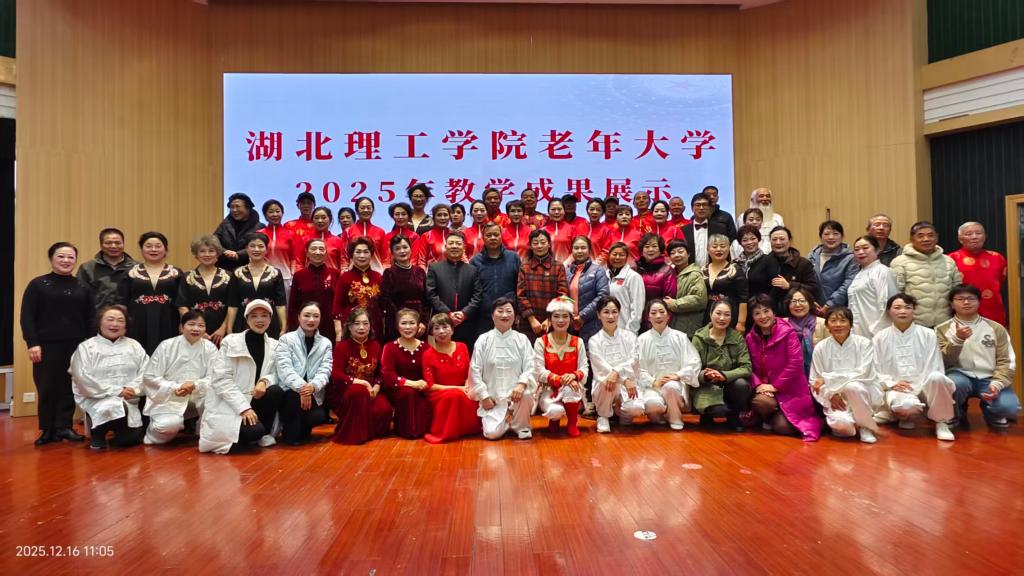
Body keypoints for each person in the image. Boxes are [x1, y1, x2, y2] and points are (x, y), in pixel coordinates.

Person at [22, 242, 94, 445]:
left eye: (71, 257)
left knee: (68, 386)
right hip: (45, 345)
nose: (66, 260)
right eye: (61, 256)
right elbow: (27, 316)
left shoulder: (83, 287)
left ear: (75, 260)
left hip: (76, 345)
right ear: (51, 258)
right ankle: (47, 429)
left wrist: (91, 345)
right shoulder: (38, 284)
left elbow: (90, 317)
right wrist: (32, 343)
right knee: (46, 386)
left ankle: (64, 427)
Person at [199, 299, 284, 453]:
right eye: (254, 316)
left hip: (256, 399)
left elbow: (276, 373)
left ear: (270, 319)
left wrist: (265, 381)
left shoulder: (274, 345)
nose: (259, 320)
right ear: (246, 319)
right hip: (232, 402)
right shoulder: (231, 342)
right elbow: (221, 380)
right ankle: (254, 432)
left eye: (264, 315)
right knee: (253, 432)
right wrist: (243, 408)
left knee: (275, 391)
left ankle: (263, 432)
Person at [872, 293, 956, 440]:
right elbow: (875, 368)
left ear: (914, 310)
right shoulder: (880, 337)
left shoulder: (928, 334)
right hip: (897, 387)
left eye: (907, 307)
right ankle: (903, 416)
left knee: (937, 378)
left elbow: (935, 365)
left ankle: (941, 422)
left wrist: (916, 387)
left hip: (923, 385)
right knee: (907, 408)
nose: (903, 311)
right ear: (889, 311)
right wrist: (892, 383)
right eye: (897, 307)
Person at [936, 284, 1020, 430]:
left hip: (990, 377)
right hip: (959, 375)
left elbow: (1006, 360)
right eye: (960, 299)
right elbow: (943, 361)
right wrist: (957, 340)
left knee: (1010, 408)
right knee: (954, 383)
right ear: (952, 304)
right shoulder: (941, 329)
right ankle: (955, 413)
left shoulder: (996, 328)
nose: (966, 302)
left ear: (979, 302)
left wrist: (997, 383)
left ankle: (992, 413)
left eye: (971, 298)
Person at [746, 295, 823, 441]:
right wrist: (759, 385)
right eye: (757, 313)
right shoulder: (750, 338)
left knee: (784, 428)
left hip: (790, 389)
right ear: (752, 317)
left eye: (766, 311)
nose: (763, 316)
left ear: (773, 312)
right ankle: (768, 417)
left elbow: (795, 363)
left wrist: (775, 386)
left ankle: (777, 417)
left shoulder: (788, 332)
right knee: (761, 403)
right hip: (765, 389)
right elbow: (748, 365)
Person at [70, 305, 147, 450]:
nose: (115, 324)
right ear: (99, 323)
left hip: (129, 399)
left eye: (120, 320)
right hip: (98, 400)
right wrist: (117, 391)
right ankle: (98, 431)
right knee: (111, 407)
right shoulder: (86, 347)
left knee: (128, 441)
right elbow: (82, 378)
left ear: (126, 325)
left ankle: (122, 430)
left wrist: (132, 388)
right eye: (110, 319)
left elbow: (146, 371)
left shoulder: (134, 345)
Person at [142, 311, 218, 445]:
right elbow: (150, 376)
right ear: (181, 327)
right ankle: (152, 433)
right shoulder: (166, 346)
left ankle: (203, 435)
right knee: (167, 427)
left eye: (201, 325)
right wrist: (175, 387)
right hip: (170, 397)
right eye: (191, 324)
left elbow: (215, 377)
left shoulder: (210, 348)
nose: (196, 329)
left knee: (217, 412)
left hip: (199, 395)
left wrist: (195, 385)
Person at [809, 307, 882, 443]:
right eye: (833, 321)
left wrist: (827, 379)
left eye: (843, 320)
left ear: (851, 324)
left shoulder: (864, 344)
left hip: (862, 393)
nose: (838, 325)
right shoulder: (821, 347)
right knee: (843, 428)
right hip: (835, 398)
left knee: (853, 386)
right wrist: (830, 394)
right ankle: (851, 422)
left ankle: (865, 427)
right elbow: (815, 380)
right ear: (827, 326)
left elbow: (864, 373)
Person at [470, 298, 537, 440]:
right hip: (493, 399)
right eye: (500, 311)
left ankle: (522, 425)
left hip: (517, 397)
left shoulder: (522, 339)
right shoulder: (483, 340)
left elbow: (531, 365)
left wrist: (521, 384)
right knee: (491, 434)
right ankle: (507, 421)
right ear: (492, 316)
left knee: (526, 393)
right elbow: (474, 370)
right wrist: (484, 396)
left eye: (508, 311)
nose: (505, 315)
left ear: (515, 316)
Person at [328, 307, 392, 445]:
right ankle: (355, 434)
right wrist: (361, 382)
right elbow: (336, 374)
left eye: (365, 323)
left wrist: (376, 387)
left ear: (370, 325)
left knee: (384, 410)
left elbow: (381, 372)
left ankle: (368, 432)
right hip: (348, 391)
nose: (361, 327)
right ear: (349, 326)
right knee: (359, 391)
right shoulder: (341, 347)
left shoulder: (376, 345)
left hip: (371, 391)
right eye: (356, 324)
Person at [636, 299, 702, 431]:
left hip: (675, 386)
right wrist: (653, 382)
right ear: (648, 317)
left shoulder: (680, 337)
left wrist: (678, 375)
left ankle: (675, 417)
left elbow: (694, 362)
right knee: (652, 404)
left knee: (670, 386)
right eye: (653, 313)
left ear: (668, 315)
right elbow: (636, 369)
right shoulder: (641, 340)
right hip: (652, 387)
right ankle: (657, 417)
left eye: (662, 312)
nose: (658, 316)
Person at [274, 301, 332, 445]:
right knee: (294, 401)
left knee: (318, 417)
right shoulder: (286, 339)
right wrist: (302, 388)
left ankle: (302, 428)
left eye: (316, 316)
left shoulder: (325, 343)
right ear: (299, 317)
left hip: (313, 391)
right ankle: (290, 432)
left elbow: (325, 370)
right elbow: (284, 368)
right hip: (290, 390)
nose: (311, 320)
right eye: (307, 315)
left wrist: (312, 386)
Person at [690, 300, 752, 430]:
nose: (722, 318)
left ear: (731, 317)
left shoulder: (737, 338)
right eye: (718, 313)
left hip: (729, 384)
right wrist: (706, 375)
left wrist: (724, 375)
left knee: (742, 384)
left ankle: (734, 417)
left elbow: (746, 367)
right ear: (710, 314)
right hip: (707, 386)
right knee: (718, 411)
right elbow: (691, 369)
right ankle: (706, 415)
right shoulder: (699, 338)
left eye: (727, 314)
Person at [533, 297, 589, 436]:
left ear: (570, 319)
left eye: (565, 316)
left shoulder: (578, 342)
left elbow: (584, 368)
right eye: (556, 316)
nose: (561, 320)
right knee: (555, 411)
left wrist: (574, 376)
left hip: (572, 389)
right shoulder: (541, 342)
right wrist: (560, 379)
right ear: (550, 319)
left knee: (571, 389)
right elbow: (538, 370)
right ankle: (555, 419)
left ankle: (572, 422)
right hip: (549, 389)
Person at [890, 221, 962, 328]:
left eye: (930, 235)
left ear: (937, 238)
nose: (926, 239)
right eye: (920, 236)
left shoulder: (948, 261)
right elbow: (895, 294)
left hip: (945, 322)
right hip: (914, 324)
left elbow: (957, 290)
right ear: (911, 239)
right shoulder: (899, 262)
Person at [120, 231, 182, 355]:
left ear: (165, 249)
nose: (153, 249)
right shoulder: (130, 273)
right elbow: (122, 302)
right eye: (148, 246)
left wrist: (183, 322)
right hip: (137, 323)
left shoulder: (176, 272)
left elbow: (182, 301)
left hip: (169, 322)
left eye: (158, 246)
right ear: (141, 249)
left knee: (167, 355)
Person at [422, 313, 481, 443]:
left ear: (452, 330)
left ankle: (468, 429)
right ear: (432, 332)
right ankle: (448, 431)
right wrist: (459, 389)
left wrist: (467, 386)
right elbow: (430, 386)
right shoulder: (427, 354)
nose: (441, 331)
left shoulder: (462, 346)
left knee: (474, 394)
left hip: (464, 388)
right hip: (439, 393)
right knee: (454, 395)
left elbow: (469, 372)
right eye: (436, 328)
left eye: (445, 327)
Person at [587, 296, 640, 433]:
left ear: (619, 313)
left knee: (637, 408)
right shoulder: (594, 340)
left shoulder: (630, 337)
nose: (611, 316)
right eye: (606, 312)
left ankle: (622, 413)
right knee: (608, 381)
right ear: (598, 315)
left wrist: (617, 372)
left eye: (614, 312)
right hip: (606, 384)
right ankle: (603, 415)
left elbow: (634, 359)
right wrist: (623, 379)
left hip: (627, 383)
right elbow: (601, 367)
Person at [380, 309, 433, 440]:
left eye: (412, 323)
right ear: (397, 326)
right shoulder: (389, 347)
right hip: (398, 390)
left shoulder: (426, 347)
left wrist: (426, 383)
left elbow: (430, 372)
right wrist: (411, 383)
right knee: (408, 392)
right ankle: (406, 428)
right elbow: (388, 375)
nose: (408, 327)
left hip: (421, 389)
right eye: (403, 323)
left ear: (418, 325)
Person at [226, 232, 287, 338]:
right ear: (246, 249)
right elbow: (233, 304)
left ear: (266, 250)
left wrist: (283, 327)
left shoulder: (275, 273)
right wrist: (229, 329)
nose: (256, 249)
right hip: (243, 321)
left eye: (260, 246)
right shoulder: (237, 273)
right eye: (252, 246)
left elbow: (280, 303)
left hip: (269, 321)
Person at [426, 232, 484, 345]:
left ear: (464, 247)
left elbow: (477, 295)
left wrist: (464, 314)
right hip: (442, 322)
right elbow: (431, 294)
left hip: (467, 323)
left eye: (458, 243)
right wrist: (448, 314)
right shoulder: (434, 268)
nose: (454, 246)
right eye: (451, 243)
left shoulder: (472, 270)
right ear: (445, 246)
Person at [176, 235, 232, 346]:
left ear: (217, 254)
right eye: (202, 251)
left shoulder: (229, 276)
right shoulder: (186, 277)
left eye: (211, 251)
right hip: (193, 331)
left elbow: (232, 305)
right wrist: (196, 328)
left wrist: (223, 328)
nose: (207, 254)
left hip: (222, 333)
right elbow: (182, 306)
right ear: (196, 255)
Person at [948, 222, 1007, 325]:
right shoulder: (951, 259)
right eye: (969, 234)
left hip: (993, 310)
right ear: (960, 239)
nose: (974, 237)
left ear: (984, 237)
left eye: (978, 233)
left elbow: (1002, 282)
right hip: (963, 311)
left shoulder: (997, 257)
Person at [517, 229, 569, 341]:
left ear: (549, 244)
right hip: (528, 323)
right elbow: (521, 295)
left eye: (543, 242)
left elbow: (562, 294)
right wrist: (532, 319)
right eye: (535, 243)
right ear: (530, 246)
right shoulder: (525, 267)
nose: (539, 246)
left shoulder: (558, 267)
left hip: (553, 321)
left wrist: (550, 318)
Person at [471, 222, 521, 336]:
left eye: (496, 234)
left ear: (501, 236)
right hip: (483, 316)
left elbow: (519, 287)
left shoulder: (513, 257)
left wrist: (518, 311)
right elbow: (473, 290)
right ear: (483, 238)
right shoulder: (475, 261)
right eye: (489, 235)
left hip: (508, 314)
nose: (493, 238)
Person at [287, 238, 341, 342]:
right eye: (314, 249)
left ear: (326, 253)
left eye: (321, 249)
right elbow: (293, 305)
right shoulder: (299, 275)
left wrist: (339, 328)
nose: (317, 252)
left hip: (329, 325)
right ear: (307, 253)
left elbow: (339, 303)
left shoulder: (335, 274)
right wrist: (293, 327)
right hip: (305, 324)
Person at [333, 237, 384, 343]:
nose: (362, 255)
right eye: (358, 252)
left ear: (371, 254)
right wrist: (338, 332)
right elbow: (337, 306)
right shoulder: (345, 277)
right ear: (351, 255)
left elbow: (383, 305)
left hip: (375, 326)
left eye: (366, 252)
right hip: (352, 326)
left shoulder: (378, 277)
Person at [848, 235, 898, 339]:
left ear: (877, 250)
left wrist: (878, 332)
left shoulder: (883, 271)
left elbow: (888, 303)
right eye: (857, 249)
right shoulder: (859, 273)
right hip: (859, 332)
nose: (861, 252)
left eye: (865, 248)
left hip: (877, 332)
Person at [380, 235, 427, 342]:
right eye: (397, 248)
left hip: (419, 324)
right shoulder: (389, 273)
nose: (402, 251)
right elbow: (386, 301)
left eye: (405, 247)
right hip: (397, 324)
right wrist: (401, 323)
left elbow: (426, 300)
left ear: (411, 249)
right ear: (392, 253)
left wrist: (423, 322)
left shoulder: (420, 272)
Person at [77, 227, 136, 311]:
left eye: (118, 243)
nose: (113, 246)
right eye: (108, 243)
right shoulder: (87, 267)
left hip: (130, 316)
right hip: (97, 317)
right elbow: (80, 296)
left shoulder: (137, 268)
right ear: (101, 245)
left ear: (123, 244)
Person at [808, 220, 858, 315]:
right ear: (821, 237)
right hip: (814, 309)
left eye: (835, 234)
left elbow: (848, 283)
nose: (831, 237)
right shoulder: (812, 256)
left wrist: (830, 304)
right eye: (826, 234)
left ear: (842, 236)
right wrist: (810, 300)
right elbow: (806, 280)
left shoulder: (850, 258)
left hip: (840, 309)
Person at [566, 236, 610, 342]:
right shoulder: (567, 272)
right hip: (569, 324)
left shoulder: (598, 271)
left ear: (589, 250)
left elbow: (603, 296)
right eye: (576, 248)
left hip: (591, 323)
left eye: (583, 248)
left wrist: (582, 316)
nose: (579, 251)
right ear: (572, 250)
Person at [703, 234, 748, 331]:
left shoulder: (735, 269)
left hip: (729, 313)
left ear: (728, 249)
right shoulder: (703, 269)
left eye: (723, 246)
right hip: (708, 313)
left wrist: (741, 322)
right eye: (714, 246)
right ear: (708, 249)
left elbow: (743, 298)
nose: (719, 249)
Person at [663, 240, 707, 337]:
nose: (677, 255)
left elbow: (700, 299)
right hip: (671, 326)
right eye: (673, 253)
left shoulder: (694, 274)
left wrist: (674, 304)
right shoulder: (669, 273)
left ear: (688, 254)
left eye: (680, 251)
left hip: (688, 328)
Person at [769, 226, 820, 309]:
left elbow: (813, 288)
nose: (778, 242)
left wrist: (789, 285)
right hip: (771, 311)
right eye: (774, 239)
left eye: (782, 239)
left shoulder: (803, 263)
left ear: (790, 241)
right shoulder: (765, 262)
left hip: (797, 309)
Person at [635, 233, 677, 332]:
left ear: (660, 250)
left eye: (654, 246)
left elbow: (668, 301)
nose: (650, 249)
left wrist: (653, 322)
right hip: (634, 320)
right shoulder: (635, 269)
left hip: (656, 321)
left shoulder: (667, 271)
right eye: (647, 246)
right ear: (642, 250)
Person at [214, 193, 264, 271]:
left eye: (237, 207)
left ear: (248, 208)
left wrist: (239, 255)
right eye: (232, 207)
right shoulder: (224, 224)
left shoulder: (260, 227)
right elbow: (214, 240)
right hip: (223, 268)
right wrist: (224, 251)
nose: (234, 210)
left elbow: (258, 247)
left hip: (247, 269)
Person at [784, 287, 828, 375]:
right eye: (793, 301)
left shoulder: (823, 324)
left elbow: (829, 354)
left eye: (802, 301)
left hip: (819, 373)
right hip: (789, 374)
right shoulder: (782, 324)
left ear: (810, 303)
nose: (797, 305)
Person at [734, 224, 781, 303]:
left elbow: (776, 287)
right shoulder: (736, 263)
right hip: (740, 305)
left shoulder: (769, 260)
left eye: (753, 238)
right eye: (745, 240)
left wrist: (765, 303)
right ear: (740, 243)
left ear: (758, 239)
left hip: (763, 305)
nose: (749, 242)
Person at [605, 242, 645, 334]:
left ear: (627, 257)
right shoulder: (605, 275)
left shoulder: (633, 277)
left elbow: (637, 308)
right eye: (614, 254)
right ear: (609, 256)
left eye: (621, 255)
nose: (617, 257)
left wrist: (630, 332)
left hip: (625, 330)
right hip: (606, 329)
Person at [258, 199, 296, 294]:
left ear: (282, 213)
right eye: (271, 212)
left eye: (277, 211)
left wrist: (292, 275)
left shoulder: (290, 234)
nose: (275, 214)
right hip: (263, 276)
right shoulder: (259, 234)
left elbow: (293, 258)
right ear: (265, 215)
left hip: (285, 277)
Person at [682, 193, 727, 268]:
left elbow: (725, 251)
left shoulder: (720, 228)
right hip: (690, 271)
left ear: (710, 208)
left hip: (715, 270)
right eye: (698, 205)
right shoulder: (683, 230)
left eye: (704, 205)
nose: (701, 208)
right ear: (692, 209)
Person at [345, 197, 387, 272]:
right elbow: (344, 257)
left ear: (373, 210)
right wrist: (344, 272)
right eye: (362, 207)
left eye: (368, 207)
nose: (366, 210)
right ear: (356, 210)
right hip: (353, 273)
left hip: (376, 273)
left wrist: (385, 273)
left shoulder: (380, 232)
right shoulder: (348, 231)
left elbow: (385, 257)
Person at [283, 191, 317, 269]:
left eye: (309, 203)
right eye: (303, 203)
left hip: (315, 266)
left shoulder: (319, 226)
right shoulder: (288, 226)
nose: (306, 206)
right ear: (298, 205)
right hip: (293, 268)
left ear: (314, 205)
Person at [413, 203, 452, 270]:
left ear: (449, 217)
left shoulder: (454, 235)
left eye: (445, 215)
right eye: (439, 215)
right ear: (434, 218)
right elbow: (421, 261)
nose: (442, 218)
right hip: (432, 274)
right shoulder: (426, 236)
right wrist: (424, 274)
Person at [381, 202, 421, 267]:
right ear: (393, 217)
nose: (400, 217)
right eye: (397, 214)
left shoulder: (415, 236)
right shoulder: (387, 236)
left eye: (403, 214)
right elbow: (386, 260)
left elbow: (414, 260)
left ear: (409, 216)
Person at [542, 198, 576, 263]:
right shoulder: (543, 231)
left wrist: (565, 265)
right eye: (553, 209)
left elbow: (576, 250)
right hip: (546, 267)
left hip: (567, 266)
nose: (556, 212)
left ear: (564, 211)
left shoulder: (572, 229)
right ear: (548, 212)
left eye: (559, 209)